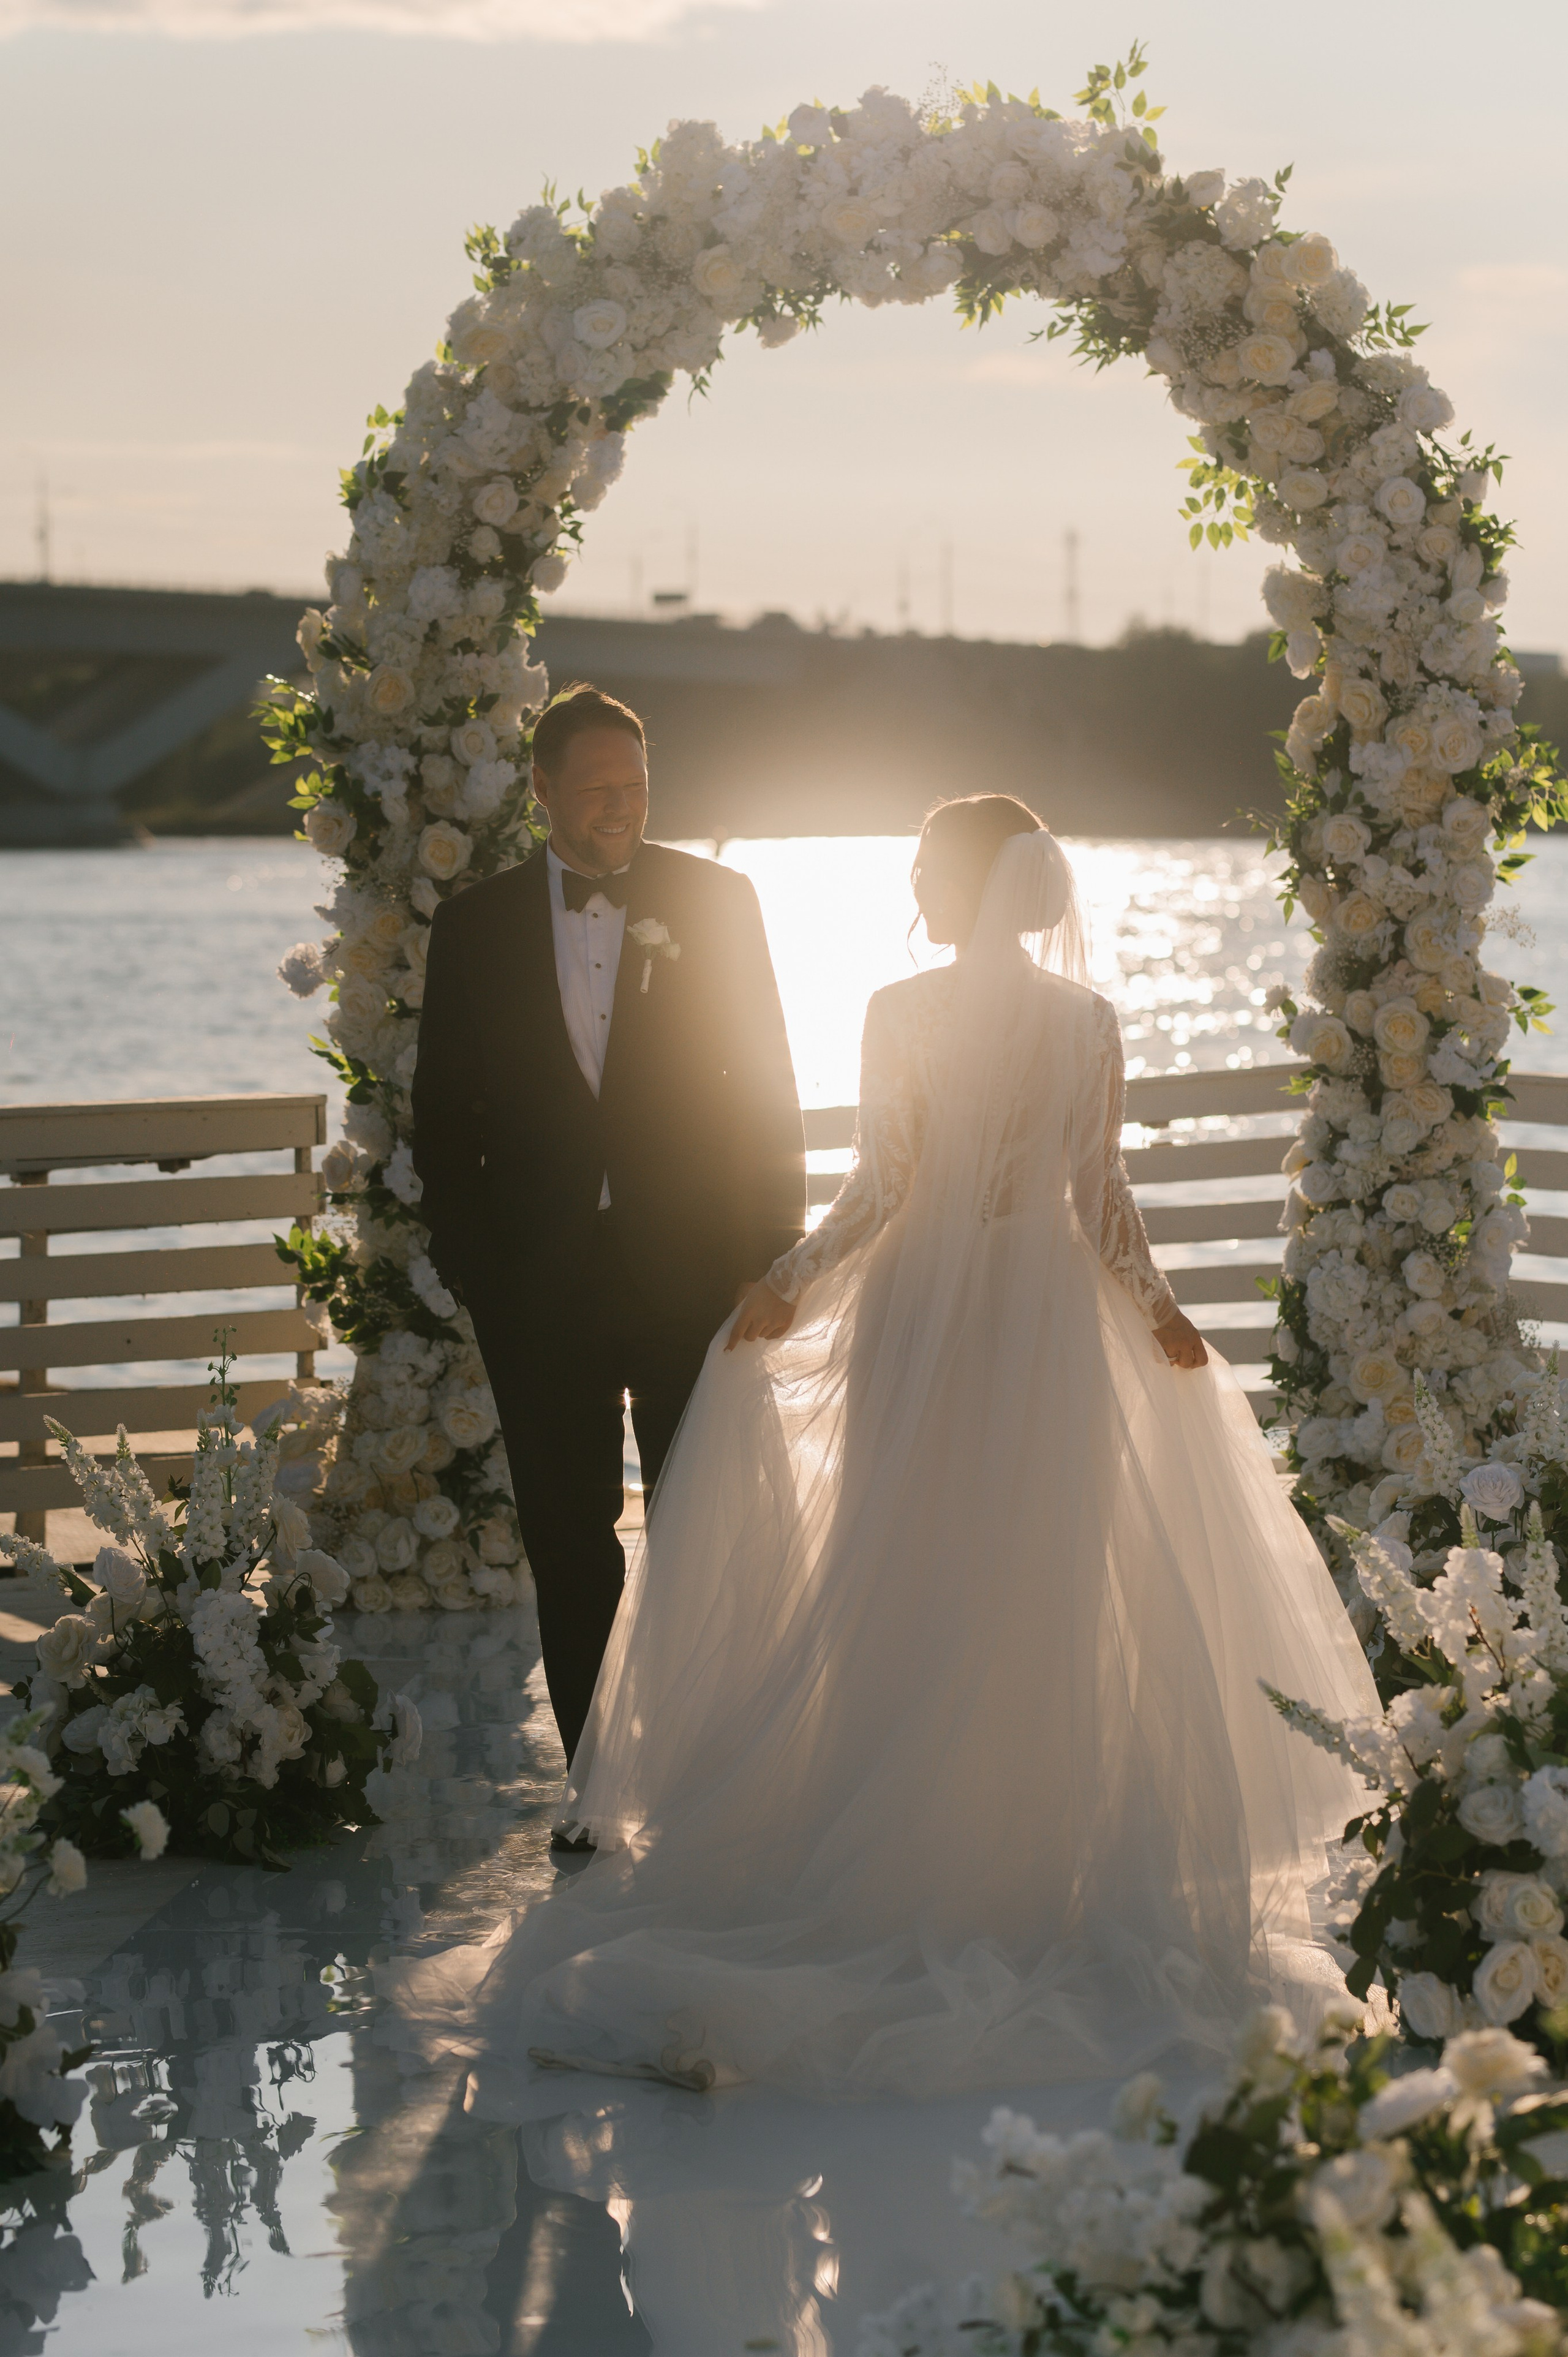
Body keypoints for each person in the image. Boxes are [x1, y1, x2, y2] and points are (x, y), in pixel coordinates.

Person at [391, 796, 1380, 2100]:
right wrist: (1159, 1314)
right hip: (1046, 1322)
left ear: (962, 880)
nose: (910, 876)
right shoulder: (1083, 1021)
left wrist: (785, 1281)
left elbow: (879, 1188)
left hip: (919, 1314)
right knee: (1042, 1578)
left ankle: (907, 1840)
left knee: (904, 1563)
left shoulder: (898, 1012)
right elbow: (1098, 1201)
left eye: (922, 861)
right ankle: (1033, 1854)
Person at [410, 684, 804, 1792]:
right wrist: (475, 1268)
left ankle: (704, 1773)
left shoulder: (718, 901)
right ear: (540, 791)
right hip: (538, 1291)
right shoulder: (476, 926)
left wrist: (771, 1257)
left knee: (701, 1527)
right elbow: (441, 1122)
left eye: (635, 787)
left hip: (694, 1278)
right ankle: (593, 1776)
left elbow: (769, 1088)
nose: (621, 809)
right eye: (596, 791)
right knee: (570, 1542)